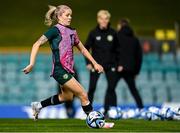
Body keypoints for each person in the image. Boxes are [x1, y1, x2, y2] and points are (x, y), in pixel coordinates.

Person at [23, 5, 113, 128]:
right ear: (59, 17)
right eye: (67, 15)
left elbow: (83, 49)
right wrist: (31, 63)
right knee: (83, 94)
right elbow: (36, 44)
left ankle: (38, 105)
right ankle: (99, 123)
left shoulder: (72, 31)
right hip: (60, 70)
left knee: (67, 96)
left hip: (68, 70)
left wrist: (95, 63)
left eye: (71, 15)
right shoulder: (55, 30)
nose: (70, 17)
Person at [85, 10, 120, 116]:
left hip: (111, 65)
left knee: (111, 87)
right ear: (98, 19)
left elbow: (119, 49)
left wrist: (118, 64)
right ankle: (88, 112)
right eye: (102, 19)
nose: (104, 21)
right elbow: (86, 48)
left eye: (106, 19)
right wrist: (88, 62)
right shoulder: (93, 33)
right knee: (92, 88)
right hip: (96, 65)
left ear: (108, 20)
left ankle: (109, 110)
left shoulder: (113, 33)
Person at [116, 19, 144, 109]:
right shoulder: (135, 39)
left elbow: (114, 53)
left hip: (119, 68)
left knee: (111, 89)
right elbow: (139, 57)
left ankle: (108, 109)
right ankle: (141, 108)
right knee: (134, 90)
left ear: (120, 25)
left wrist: (118, 65)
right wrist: (136, 72)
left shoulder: (117, 36)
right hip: (130, 69)